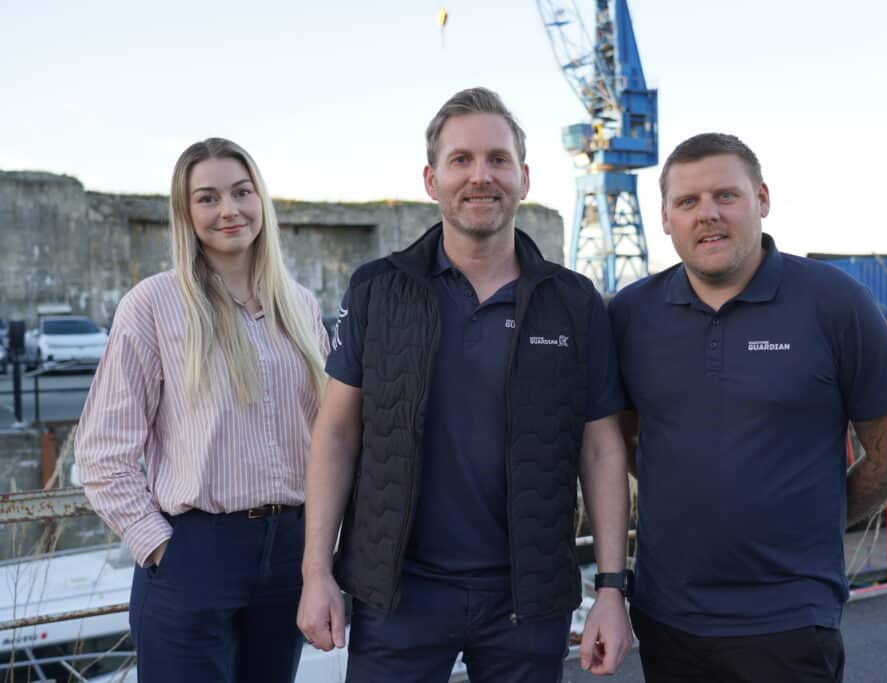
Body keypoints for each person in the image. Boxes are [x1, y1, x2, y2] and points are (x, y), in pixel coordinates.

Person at [297, 87, 633, 681]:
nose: (481, 176)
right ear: (432, 179)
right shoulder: (378, 289)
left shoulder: (572, 302)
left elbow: (601, 447)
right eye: (461, 160)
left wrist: (610, 588)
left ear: (524, 177)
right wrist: (316, 572)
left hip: (526, 599)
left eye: (498, 160)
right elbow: (337, 432)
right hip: (398, 594)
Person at [609, 133, 887, 682]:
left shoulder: (834, 302)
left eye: (726, 196)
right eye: (687, 202)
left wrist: (811, 523)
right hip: (667, 615)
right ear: (664, 218)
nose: (707, 215)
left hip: (791, 618)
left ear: (763, 199)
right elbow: (630, 442)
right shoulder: (631, 314)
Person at [75, 138, 328, 682]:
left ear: (261, 199)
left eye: (241, 192)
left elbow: (327, 436)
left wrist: (320, 551)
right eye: (207, 198)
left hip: (290, 556)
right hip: (193, 554)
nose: (229, 210)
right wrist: (162, 549)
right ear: (186, 214)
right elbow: (101, 452)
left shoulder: (301, 306)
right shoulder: (154, 306)